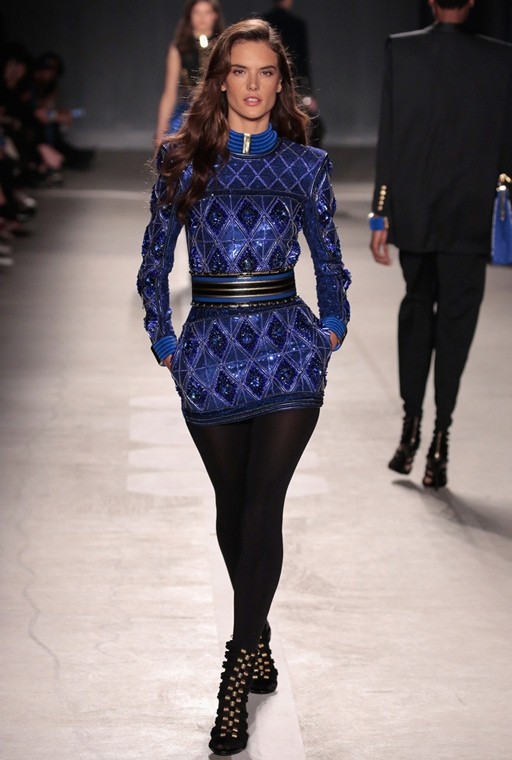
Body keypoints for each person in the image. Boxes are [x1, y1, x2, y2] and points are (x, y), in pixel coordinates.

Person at [138, 18, 350, 755]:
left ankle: (234, 671)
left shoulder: (304, 165)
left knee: (263, 503)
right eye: (240, 71)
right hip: (209, 357)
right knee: (234, 508)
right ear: (220, 80)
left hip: (288, 352)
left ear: (280, 82)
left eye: (266, 72)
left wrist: (332, 326)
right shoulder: (182, 160)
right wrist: (164, 339)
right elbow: (154, 260)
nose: (253, 85)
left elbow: (329, 256)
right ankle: (258, 639)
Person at [369, 0, 512, 489]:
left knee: (417, 311)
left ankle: (410, 425)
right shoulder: (500, 58)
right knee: (456, 325)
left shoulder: (401, 51)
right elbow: (506, 147)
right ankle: (439, 439)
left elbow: (389, 138)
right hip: (470, 215)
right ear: (472, 3)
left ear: (431, 2)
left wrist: (381, 209)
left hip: (415, 211)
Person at [154, 0, 225, 145]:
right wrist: (161, 129)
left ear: (215, 15)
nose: (202, 17)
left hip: (220, 108)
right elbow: (170, 91)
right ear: (190, 16)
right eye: (197, 12)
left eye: (207, 12)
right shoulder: (180, 48)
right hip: (189, 111)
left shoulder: (224, 45)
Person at [262, 0, 324, 146]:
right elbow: (303, 62)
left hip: (267, 82)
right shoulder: (297, 25)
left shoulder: (263, 23)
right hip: (293, 85)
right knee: (306, 126)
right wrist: (308, 93)